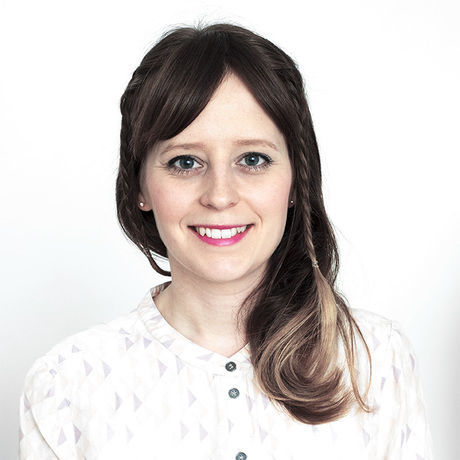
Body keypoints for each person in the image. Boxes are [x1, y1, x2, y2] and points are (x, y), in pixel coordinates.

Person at [18, 23, 433, 459]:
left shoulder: (375, 359)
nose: (219, 196)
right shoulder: (66, 384)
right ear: (139, 186)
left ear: (297, 179)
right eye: (185, 162)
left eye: (253, 159)